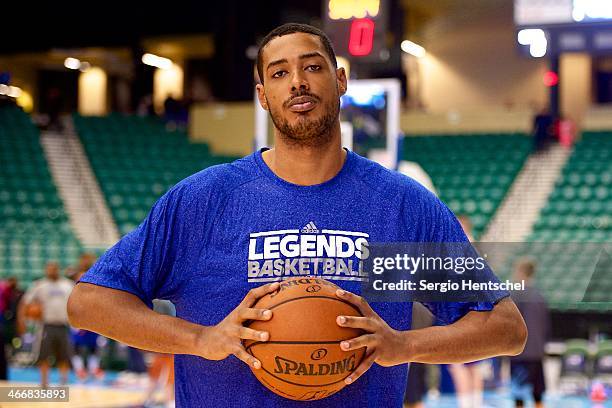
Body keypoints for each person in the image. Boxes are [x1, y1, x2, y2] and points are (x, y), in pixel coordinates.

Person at [68, 23, 527, 407]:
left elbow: (504, 328)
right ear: (263, 95)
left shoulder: (401, 207)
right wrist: (201, 339)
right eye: (280, 72)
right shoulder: (205, 201)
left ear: (341, 80)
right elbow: (88, 303)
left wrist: (403, 346)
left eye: (312, 67)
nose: (298, 82)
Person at [21, 262, 74, 386]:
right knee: (44, 355)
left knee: (64, 356)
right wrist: (28, 316)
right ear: (46, 270)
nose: (52, 271)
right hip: (46, 325)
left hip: (63, 325)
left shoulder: (68, 285)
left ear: (58, 269)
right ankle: (44, 383)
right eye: (49, 269)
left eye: (54, 268)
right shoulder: (39, 285)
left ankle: (64, 382)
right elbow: (26, 302)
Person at [511, 258, 549, 408]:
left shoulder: (515, 295)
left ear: (520, 272)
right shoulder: (540, 296)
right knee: (538, 394)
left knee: (519, 396)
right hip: (537, 352)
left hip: (521, 353)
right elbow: (546, 326)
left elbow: (511, 325)